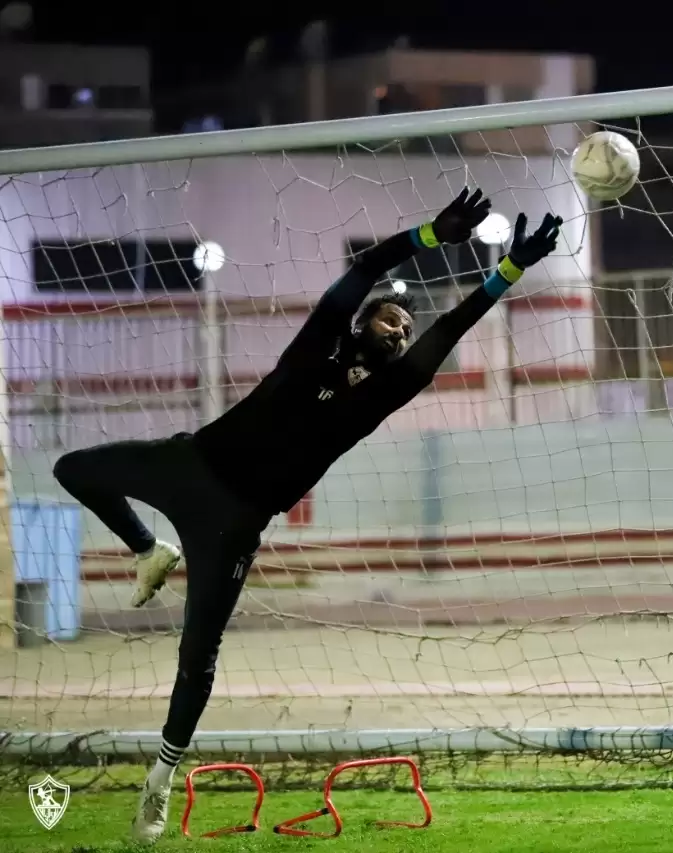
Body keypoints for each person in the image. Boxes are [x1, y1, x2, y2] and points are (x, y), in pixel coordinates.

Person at [51, 188, 562, 844]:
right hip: (188, 468)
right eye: (390, 318)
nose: (402, 329)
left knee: (197, 657)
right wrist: (431, 235)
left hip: (233, 523)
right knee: (75, 469)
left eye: (406, 328)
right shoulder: (318, 339)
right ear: (362, 322)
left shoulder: (384, 394)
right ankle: (148, 548)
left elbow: (449, 328)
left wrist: (508, 271)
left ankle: (160, 778)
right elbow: (361, 272)